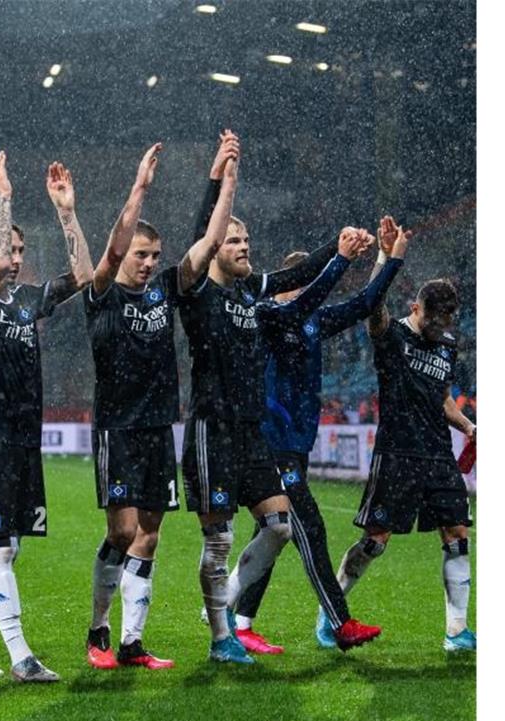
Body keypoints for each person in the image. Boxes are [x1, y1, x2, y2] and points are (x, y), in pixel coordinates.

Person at [178, 150, 368, 664]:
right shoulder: (194, 289)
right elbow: (203, 233)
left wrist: (340, 245)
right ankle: (222, 637)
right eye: (234, 240)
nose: (244, 247)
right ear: (214, 247)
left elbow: (299, 277)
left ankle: (230, 612)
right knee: (217, 541)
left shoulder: (250, 292)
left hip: (252, 433)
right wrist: (220, 182)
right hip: (211, 429)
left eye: (246, 240)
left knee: (281, 527)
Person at [82, 133, 239, 671]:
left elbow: (210, 240)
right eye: (141, 255)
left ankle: (131, 642)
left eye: (153, 256)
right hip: (116, 428)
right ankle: (97, 631)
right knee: (121, 532)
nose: (148, 263)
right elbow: (112, 244)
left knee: (149, 534)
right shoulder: (102, 294)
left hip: (156, 427)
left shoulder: (164, 290)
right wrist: (140, 187)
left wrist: (223, 180)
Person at [230, 217, 409, 652]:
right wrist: (338, 261)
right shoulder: (269, 313)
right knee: (308, 525)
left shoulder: (313, 321)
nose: (303, 295)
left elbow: (366, 302)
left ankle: (235, 616)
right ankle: (339, 621)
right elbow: (298, 307)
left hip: (297, 440)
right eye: (299, 286)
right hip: (270, 439)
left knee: (271, 532)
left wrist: (389, 257)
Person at [0, 152, 92, 682]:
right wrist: (5, 197)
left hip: (23, 438)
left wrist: (66, 212)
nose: (16, 256)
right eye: (9, 247)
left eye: (22, 250)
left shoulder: (28, 301)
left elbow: (83, 275)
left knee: (8, 549)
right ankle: (20, 656)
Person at [328, 227, 476, 653]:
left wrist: (468, 427)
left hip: (437, 456)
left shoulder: (445, 342)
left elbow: (443, 397)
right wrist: (385, 258)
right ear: (416, 308)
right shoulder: (392, 336)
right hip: (396, 455)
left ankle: (457, 631)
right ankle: (333, 612)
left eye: (448, 323)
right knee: (375, 542)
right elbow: (372, 305)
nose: (441, 329)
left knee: (457, 533)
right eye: (434, 320)